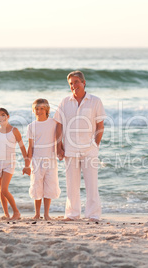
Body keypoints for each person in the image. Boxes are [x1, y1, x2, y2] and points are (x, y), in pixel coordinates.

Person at [54, 71, 105, 221]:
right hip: (70, 149)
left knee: (92, 184)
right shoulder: (64, 102)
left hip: (89, 149)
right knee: (72, 185)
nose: (73, 86)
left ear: (84, 83)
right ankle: (72, 214)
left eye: (76, 82)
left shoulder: (95, 101)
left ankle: (93, 215)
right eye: (71, 83)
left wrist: (95, 144)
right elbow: (58, 125)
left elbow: (100, 125)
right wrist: (59, 145)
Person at [23, 99, 61, 220]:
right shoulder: (31, 126)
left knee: (49, 185)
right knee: (36, 185)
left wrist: (61, 151)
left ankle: (46, 214)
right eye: (37, 109)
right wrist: (27, 164)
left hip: (51, 159)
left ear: (47, 110)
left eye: (42, 109)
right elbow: (30, 147)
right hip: (36, 160)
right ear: (33, 110)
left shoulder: (53, 123)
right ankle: (37, 213)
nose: (39, 111)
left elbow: (60, 138)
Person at [0, 108, 29, 220]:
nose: (1, 118)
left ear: (8, 116)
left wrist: (27, 162)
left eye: (3, 115)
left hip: (9, 162)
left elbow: (22, 146)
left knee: (4, 189)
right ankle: (6, 214)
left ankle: (16, 212)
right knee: (0, 189)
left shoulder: (14, 130)